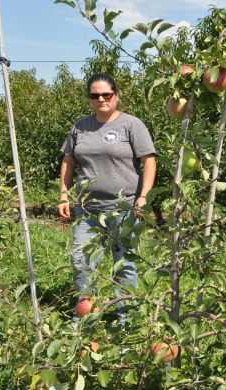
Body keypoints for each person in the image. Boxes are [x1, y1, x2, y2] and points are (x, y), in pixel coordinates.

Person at [58, 73, 156, 319]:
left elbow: (149, 161)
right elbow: (68, 161)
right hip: (87, 209)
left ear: (116, 96)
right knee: (82, 263)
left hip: (123, 208)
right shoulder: (81, 126)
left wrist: (144, 196)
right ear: (90, 99)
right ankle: (85, 318)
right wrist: (63, 194)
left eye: (106, 94)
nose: (100, 99)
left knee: (124, 266)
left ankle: (126, 321)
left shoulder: (131, 124)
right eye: (94, 95)